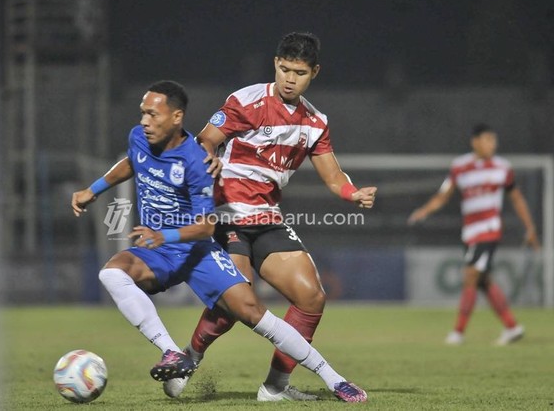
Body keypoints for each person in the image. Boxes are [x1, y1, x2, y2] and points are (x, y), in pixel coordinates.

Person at [71, 80, 368, 402]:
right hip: (161, 249)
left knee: (251, 311)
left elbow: (205, 227)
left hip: (198, 250)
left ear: (176, 117)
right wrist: (93, 190)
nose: (144, 121)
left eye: (153, 115)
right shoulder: (139, 137)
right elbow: (132, 161)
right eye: (143, 113)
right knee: (112, 272)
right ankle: (172, 353)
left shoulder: (197, 163)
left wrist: (163, 235)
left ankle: (333, 380)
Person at [163, 32, 377, 402]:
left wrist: (351, 192)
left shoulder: (315, 122)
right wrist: (207, 157)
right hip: (225, 212)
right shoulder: (246, 101)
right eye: (284, 69)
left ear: (314, 73)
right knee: (236, 301)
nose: (290, 78)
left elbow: (333, 176)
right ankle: (189, 359)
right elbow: (206, 139)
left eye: (299, 72)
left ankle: (275, 388)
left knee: (311, 297)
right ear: (275, 64)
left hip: (266, 219)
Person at [408, 123, 540, 345]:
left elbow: (516, 198)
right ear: (475, 142)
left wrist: (530, 227)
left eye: (494, 140)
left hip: (489, 230)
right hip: (470, 232)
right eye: (487, 140)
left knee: (470, 276)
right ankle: (512, 326)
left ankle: (457, 333)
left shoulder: (502, 168)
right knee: (483, 281)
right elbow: (444, 195)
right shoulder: (461, 167)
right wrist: (424, 210)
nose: (492, 144)